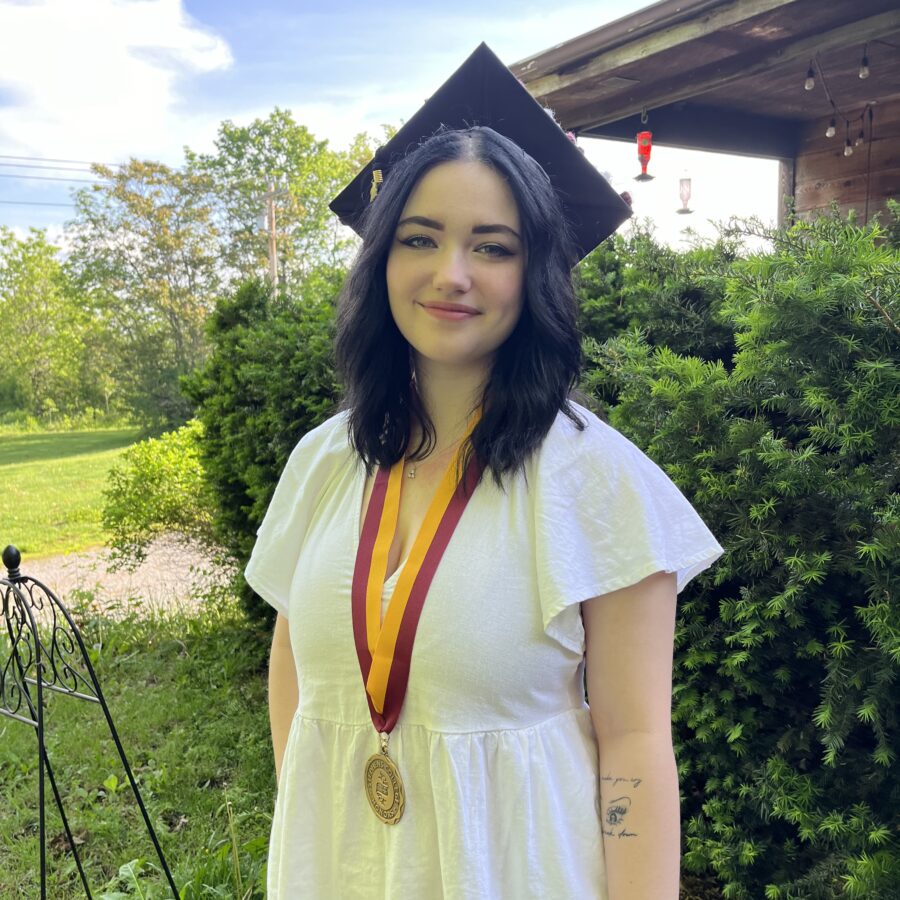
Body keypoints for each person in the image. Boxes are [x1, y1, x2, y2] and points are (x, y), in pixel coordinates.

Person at [245, 43, 724, 899]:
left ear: (535, 268)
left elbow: (636, 742)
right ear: (383, 258)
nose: (450, 274)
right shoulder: (323, 459)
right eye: (419, 238)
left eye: (492, 247)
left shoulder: (597, 483)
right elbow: (295, 658)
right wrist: (317, 827)